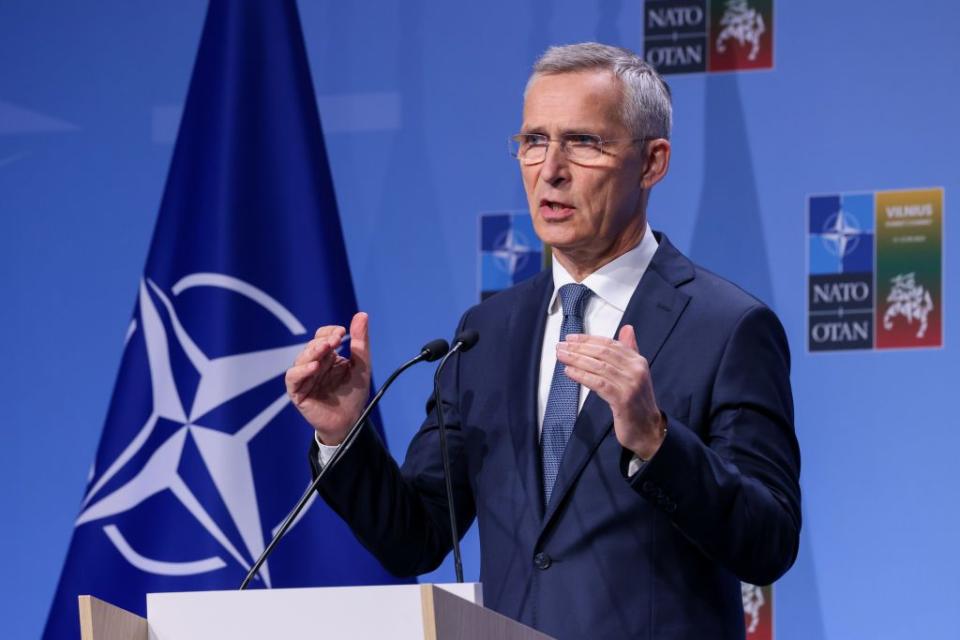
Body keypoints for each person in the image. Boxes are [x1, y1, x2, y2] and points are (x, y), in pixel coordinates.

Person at [285, 42, 800, 640]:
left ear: (652, 162)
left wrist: (657, 444)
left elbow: (769, 543)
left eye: (583, 142)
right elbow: (416, 538)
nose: (550, 169)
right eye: (533, 141)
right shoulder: (486, 333)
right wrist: (343, 434)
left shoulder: (726, 326)